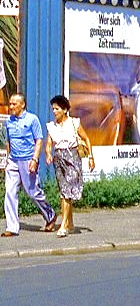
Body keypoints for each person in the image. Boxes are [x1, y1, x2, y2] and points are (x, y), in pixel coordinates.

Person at [3, 93, 56, 236]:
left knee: (32, 192)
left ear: (22, 105)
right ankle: (12, 227)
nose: (11, 106)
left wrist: (35, 159)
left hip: (28, 160)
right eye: (10, 103)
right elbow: (8, 141)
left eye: (14, 104)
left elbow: (39, 140)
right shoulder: (9, 121)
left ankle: (50, 215)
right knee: (10, 192)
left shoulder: (32, 119)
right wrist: (8, 159)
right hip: (13, 160)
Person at [45, 94, 94, 237]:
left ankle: (64, 225)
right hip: (59, 158)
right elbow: (49, 144)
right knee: (64, 191)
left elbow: (86, 138)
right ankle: (70, 223)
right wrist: (48, 154)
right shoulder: (52, 126)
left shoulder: (74, 122)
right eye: (53, 109)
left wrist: (91, 157)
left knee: (67, 192)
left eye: (57, 109)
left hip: (72, 157)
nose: (54, 111)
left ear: (65, 110)